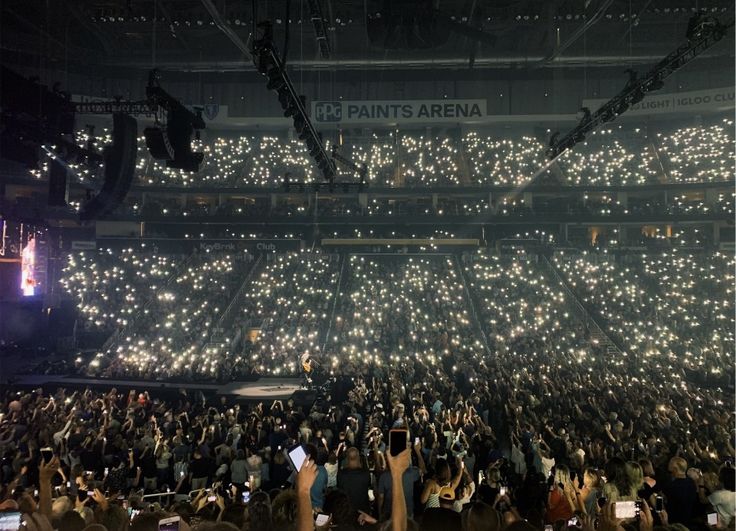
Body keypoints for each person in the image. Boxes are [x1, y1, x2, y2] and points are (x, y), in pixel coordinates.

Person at [662, 456, 698, 527]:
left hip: (672, 523)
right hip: (687, 521)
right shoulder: (692, 482)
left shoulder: (671, 486)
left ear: (675, 469)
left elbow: (661, 501)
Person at [337, 447, 371, 514]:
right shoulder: (366, 474)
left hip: (347, 511)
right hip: (363, 512)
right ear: (358, 457)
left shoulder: (341, 474)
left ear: (347, 458)